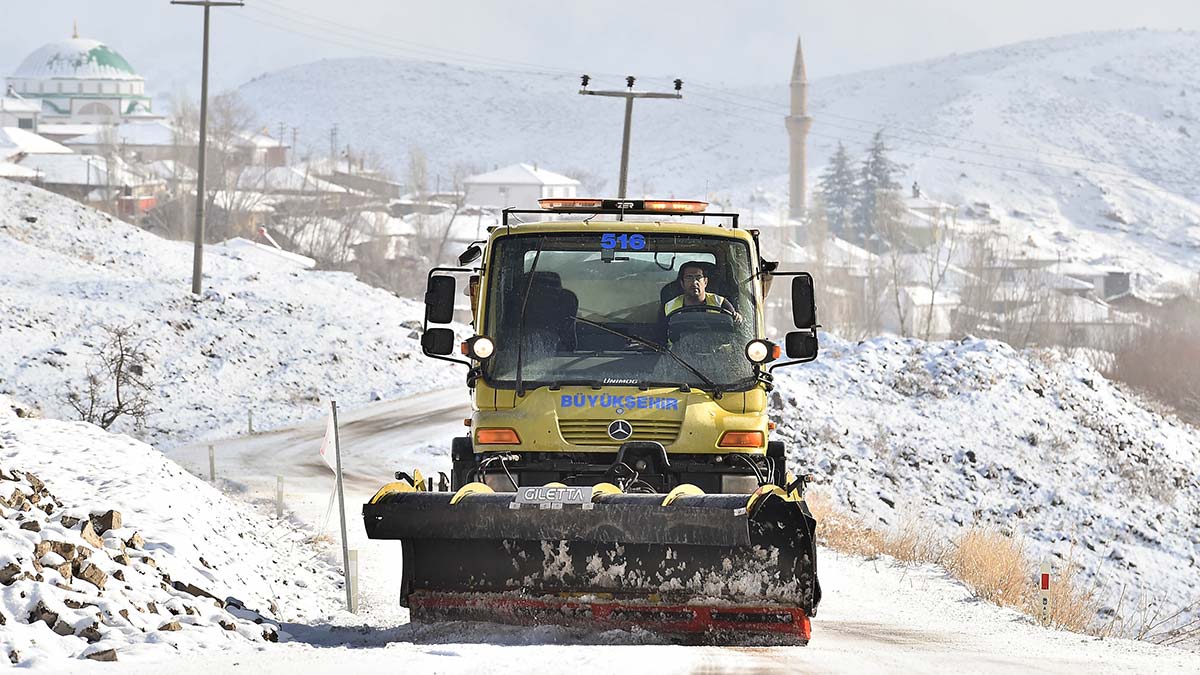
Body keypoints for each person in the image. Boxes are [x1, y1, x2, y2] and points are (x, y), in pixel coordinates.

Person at [663, 263, 742, 322]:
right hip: (678, 344)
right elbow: (660, 336)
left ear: (705, 282)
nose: (694, 282)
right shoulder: (669, 307)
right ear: (682, 283)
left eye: (698, 277)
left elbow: (735, 329)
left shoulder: (721, 303)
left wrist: (738, 319)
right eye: (689, 277)